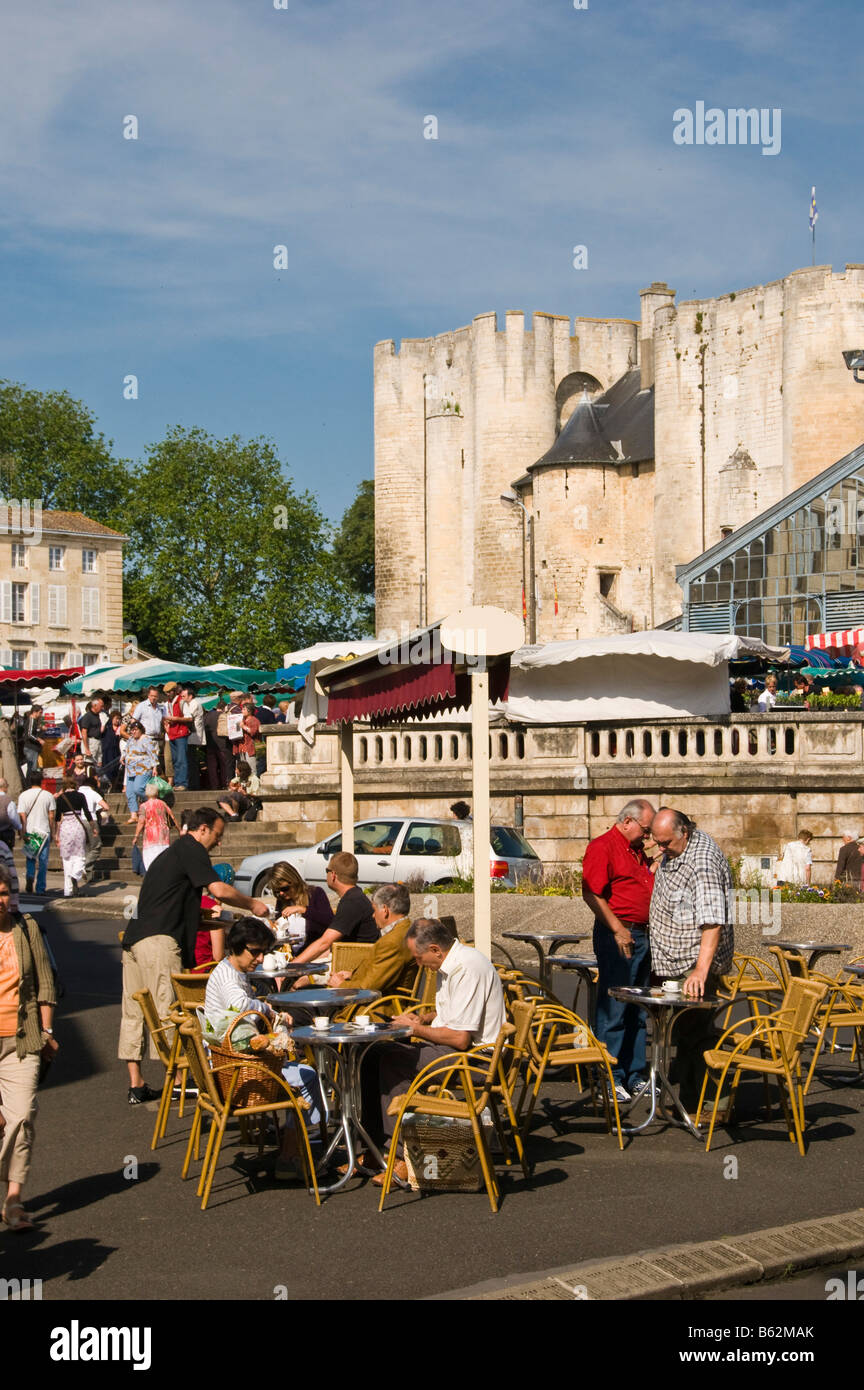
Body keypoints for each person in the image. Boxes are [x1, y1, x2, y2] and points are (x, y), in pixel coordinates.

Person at [119, 807, 269, 1103]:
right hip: (158, 941)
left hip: (135, 937)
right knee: (169, 1011)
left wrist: (223, 922)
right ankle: (180, 1079)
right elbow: (219, 889)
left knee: (135, 1012)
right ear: (202, 830)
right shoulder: (191, 848)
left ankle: (136, 1084)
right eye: (217, 834)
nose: (219, 842)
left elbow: (183, 910)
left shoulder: (172, 855)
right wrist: (252, 904)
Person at [358, 917, 506, 1185]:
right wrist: (425, 1018)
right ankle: (371, 1147)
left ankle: (401, 1157)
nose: (417, 964)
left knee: (393, 1061)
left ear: (436, 949)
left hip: (476, 1059)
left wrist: (414, 1030)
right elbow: (455, 1013)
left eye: (418, 957)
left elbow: (460, 1039)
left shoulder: (466, 968)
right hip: (457, 1049)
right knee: (372, 1054)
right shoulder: (451, 964)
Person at [203, 917, 322, 1178]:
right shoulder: (228, 979)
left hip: (226, 1065)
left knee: (297, 1066)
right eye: (254, 952)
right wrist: (268, 1008)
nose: (259, 958)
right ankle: (289, 1158)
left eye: (263, 952)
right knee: (307, 1076)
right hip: (237, 1074)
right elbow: (242, 1005)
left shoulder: (229, 971)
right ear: (236, 947)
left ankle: (294, 1146)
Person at [648, 807, 734, 1120]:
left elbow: (713, 921)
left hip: (693, 962)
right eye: (657, 841)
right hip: (675, 959)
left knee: (698, 1032)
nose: (660, 847)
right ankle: (687, 1100)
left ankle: (715, 1105)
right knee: (685, 1032)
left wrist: (701, 969)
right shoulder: (679, 848)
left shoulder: (703, 861)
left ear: (684, 832)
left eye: (665, 842)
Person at [581, 798, 657, 1104]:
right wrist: (618, 929)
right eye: (646, 829)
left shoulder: (636, 851)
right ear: (628, 821)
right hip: (621, 933)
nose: (648, 836)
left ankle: (634, 1073)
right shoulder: (603, 847)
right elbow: (591, 892)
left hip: (640, 933)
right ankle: (608, 1076)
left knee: (638, 1007)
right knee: (614, 1008)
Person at [0, 864, 58, 1230]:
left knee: (21, 1118)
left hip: (22, 1040)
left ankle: (13, 1200)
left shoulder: (26, 928)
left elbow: (46, 984)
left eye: (3, 893)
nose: (0, 900)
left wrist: (47, 1030)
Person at [289, 852, 379, 967]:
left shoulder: (351, 902)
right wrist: (301, 960)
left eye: (327, 871)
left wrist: (292, 966)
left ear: (333, 875)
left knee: (298, 981)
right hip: (351, 960)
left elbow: (324, 943)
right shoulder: (355, 896)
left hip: (354, 966)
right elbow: (331, 946)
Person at [329, 883, 415, 994]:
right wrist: (352, 975)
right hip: (374, 999)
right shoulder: (404, 930)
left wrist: (341, 984)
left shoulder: (392, 942)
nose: (373, 915)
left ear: (384, 910)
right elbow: (380, 974)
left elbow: (369, 988)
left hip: (373, 1007)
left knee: (304, 1008)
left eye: (374, 910)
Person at [265, 861, 334, 955]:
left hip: (315, 954)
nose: (281, 893)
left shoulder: (316, 893)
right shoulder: (282, 900)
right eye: (277, 891)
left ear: (294, 881)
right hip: (291, 954)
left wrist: (303, 910)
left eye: (284, 888)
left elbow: (330, 921)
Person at [54, 776, 94, 898]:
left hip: (65, 828)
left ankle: (68, 890)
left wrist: (56, 834)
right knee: (80, 855)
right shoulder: (81, 796)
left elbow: (57, 818)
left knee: (67, 859)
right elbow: (87, 812)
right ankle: (76, 874)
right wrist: (93, 827)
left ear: (65, 787)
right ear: (75, 785)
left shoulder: (60, 798)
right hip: (78, 827)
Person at [17, 772, 56, 896]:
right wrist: (53, 832)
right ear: (41, 781)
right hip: (44, 829)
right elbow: (51, 816)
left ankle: (29, 875)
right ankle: (40, 888)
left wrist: (23, 831)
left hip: (31, 830)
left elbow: (22, 816)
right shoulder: (48, 795)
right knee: (43, 861)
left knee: (31, 858)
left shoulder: (23, 795)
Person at [132, 782, 179, 872]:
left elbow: (141, 822)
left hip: (150, 836)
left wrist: (136, 836)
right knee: (164, 858)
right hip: (164, 834)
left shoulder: (143, 806)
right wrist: (179, 829)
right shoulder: (162, 803)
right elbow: (172, 816)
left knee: (151, 859)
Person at [123, 720, 159, 822]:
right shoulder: (130, 739)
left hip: (143, 767)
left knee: (138, 788)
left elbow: (152, 753)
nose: (133, 732)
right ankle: (134, 814)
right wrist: (123, 757)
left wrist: (154, 767)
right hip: (131, 769)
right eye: (132, 730)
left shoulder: (146, 739)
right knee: (129, 792)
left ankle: (151, 801)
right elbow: (126, 750)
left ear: (140, 730)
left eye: (135, 730)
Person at [163, 687, 192, 790]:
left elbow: (189, 717)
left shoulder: (181, 702)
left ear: (174, 691)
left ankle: (183, 783)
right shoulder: (169, 703)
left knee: (181, 759)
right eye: (166, 692)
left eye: (169, 691)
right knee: (175, 760)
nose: (168, 694)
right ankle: (177, 783)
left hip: (180, 733)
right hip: (172, 734)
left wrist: (175, 719)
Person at [132, 687, 168, 772]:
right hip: (145, 738)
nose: (153, 698)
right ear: (148, 695)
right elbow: (134, 721)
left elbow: (163, 722)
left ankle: (151, 783)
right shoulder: (142, 706)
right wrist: (137, 735)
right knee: (145, 762)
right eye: (152, 696)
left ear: (158, 697)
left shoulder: (160, 708)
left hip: (156, 739)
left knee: (154, 764)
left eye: (155, 696)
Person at [204, 697, 232, 790]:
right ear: (225, 707)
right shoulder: (225, 715)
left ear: (216, 707)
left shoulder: (208, 715)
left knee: (212, 766)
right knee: (224, 765)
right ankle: (225, 783)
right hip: (223, 743)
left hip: (210, 744)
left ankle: (214, 785)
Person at [181, 685, 205, 790]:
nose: (182, 698)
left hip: (193, 735)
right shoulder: (190, 704)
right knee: (191, 759)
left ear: (190, 696)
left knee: (192, 760)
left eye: (184, 696)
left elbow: (188, 718)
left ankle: (194, 784)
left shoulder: (194, 704)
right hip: (192, 736)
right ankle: (193, 783)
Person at [99, 710, 125, 791]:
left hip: (116, 752)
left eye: (119, 719)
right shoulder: (107, 727)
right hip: (106, 751)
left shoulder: (120, 729)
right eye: (116, 718)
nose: (117, 720)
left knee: (116, 770)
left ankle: (114, 787)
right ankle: (108, 785)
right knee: (107, 769)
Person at [78, 697, 105, 766]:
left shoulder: (97, 716)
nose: (102, 708)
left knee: (98, 765)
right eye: (101, 706)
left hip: (98, 742)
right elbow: (84, 733)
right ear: (94, 706)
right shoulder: (87, 717)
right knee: (89, 765)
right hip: (90, 743)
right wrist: (87, 749)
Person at [0, 779, 22, 852]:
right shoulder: (9, 801)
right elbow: (13, 818)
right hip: (6, 834)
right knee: (6, 859)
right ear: (5, 787)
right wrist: (19, 827)